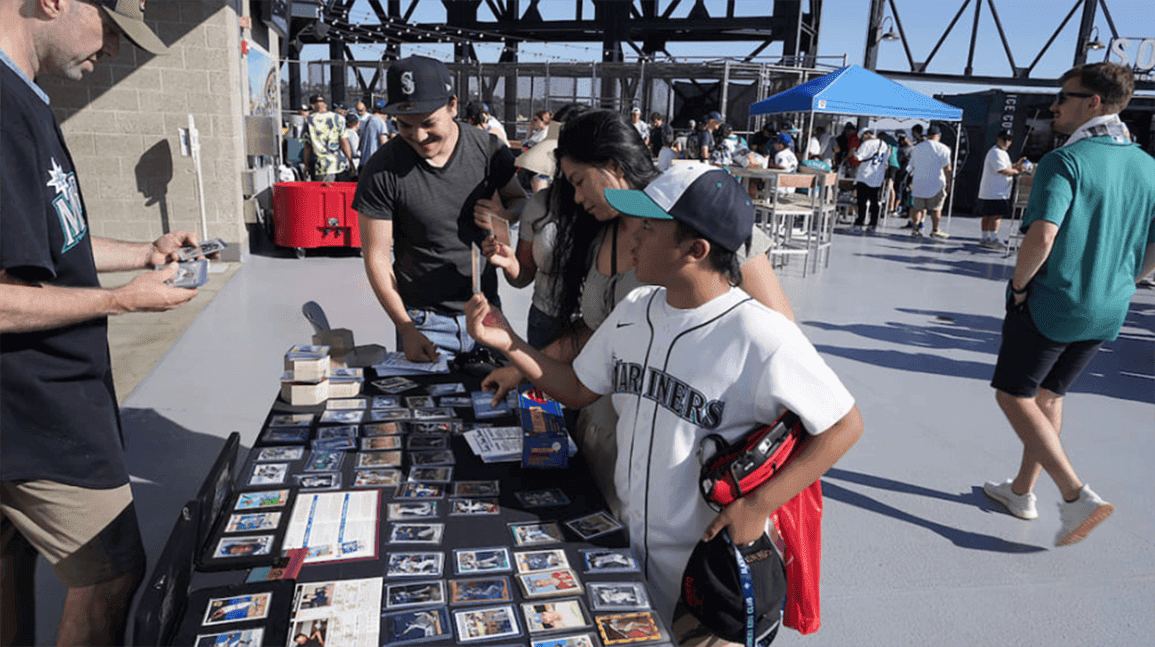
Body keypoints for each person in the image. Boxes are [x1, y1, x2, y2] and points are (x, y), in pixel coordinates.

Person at [464, 162, 863, 627]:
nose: (632, 237)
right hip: (626, 551)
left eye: (649, 229)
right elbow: (576, 388)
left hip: (709, 574)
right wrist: (507, 341)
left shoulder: (759, 333)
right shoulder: (635, 308)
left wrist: (758, 505)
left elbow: (844, 424)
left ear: (695, 249)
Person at [0, 1, 206, 645]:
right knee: (111, 573)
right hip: (38, 407)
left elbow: (52, 245)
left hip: (40, 404)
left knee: (10, 561)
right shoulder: (4, 110)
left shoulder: (24, 98)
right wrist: (121, 301)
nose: (113, 51)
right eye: (112, 28)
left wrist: (145, 254)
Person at [479, 110, 795, 517]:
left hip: (688, 449)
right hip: (602, 436)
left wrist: (759, 500)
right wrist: (521, 366)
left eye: (578, 182)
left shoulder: (697, 216)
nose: (575, 198)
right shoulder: (599, 231)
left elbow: (780, 331)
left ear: (612, 165)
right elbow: (596, 331)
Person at [984, 62, 1155, 546]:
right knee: (1051, 396)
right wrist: (1124, 280)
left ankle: (1075, 495)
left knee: (1012, 393)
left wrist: (1019, 288)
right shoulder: (1147, 165)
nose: (1055, 105)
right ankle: (1022, 491)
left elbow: (1042, 235)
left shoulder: (1066, 162)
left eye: (1064, 96)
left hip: (1055, 302)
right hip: (1109, 307)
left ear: (1093, 103)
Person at [352, 56, 527, 362]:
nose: (418, 136)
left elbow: (518, 200)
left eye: (429, 123)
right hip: (423, 323)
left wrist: (503, 216)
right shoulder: (382, 169)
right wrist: (405, 327)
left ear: (453, 106)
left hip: (486, 312)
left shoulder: (489, 150)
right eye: (405, 125)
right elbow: (377, 257)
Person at [481, 105, 589, 350]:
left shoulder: (618, 205)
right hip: (545, 322)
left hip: (601, 327)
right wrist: (509, 262)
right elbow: (522, 277)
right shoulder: (540, 205)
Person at [976, 130, 1027, 248]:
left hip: (996, 191)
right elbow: (1001, 170)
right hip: (996, 192)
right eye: (1004, 139)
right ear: (998, 139)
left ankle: (985, 238)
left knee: (989, 215)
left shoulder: (1002, 153)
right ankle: (992, 239)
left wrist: (1016, 164)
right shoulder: (996, 152)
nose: (1006, 142)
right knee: (995, 215)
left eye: (1009, 140)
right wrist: (1017, 171)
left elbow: (1006, 166)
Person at [906, 124, 952, 238]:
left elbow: (910, 167)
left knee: (917, 208)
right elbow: (948, 168)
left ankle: (916, 230)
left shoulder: (917, 147)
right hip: (936, 183)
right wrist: (949, 182)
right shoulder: (943, 148)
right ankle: (935, 230)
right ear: (938, 135)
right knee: (936, 209)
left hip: (919, 182)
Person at [302, 93, 355, 182]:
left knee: (326, 194)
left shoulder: (309, 120)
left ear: (313, 106)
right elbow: (344, 141)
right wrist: (350, 162)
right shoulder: (338, 118)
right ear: (325, 105)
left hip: (323, 166)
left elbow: (307, 146)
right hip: (341, 163)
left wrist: (306, 165)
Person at [851, 130, 889, 233]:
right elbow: (885, 161)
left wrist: (854, 152)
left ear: (865, 135)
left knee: (862, 201)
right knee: (874, 201)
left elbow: (858, 157)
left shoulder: (867, 144)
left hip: (865, 175)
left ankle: (859, 223)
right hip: (877, 176)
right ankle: (873, 224)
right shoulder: (883, 144)